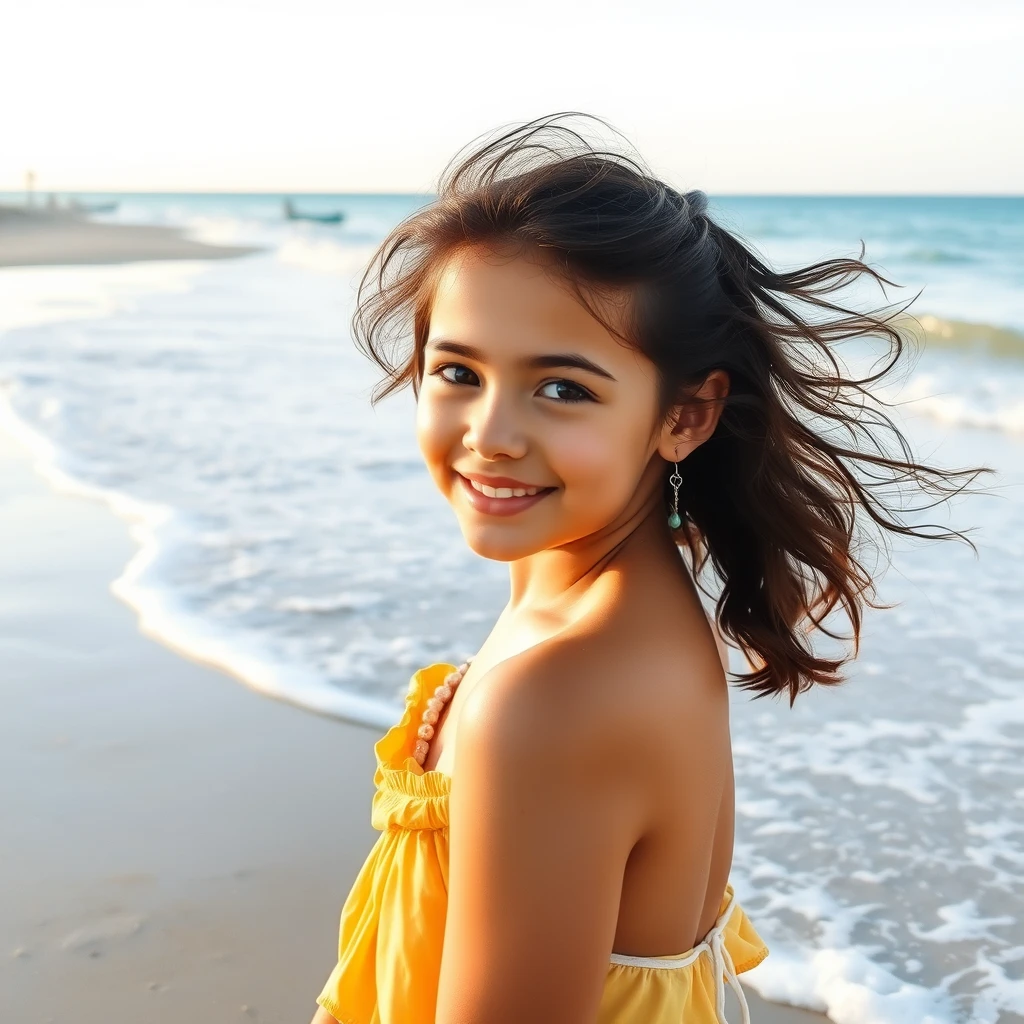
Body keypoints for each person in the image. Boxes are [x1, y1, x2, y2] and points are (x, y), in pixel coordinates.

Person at [309, 113, 985, 1024]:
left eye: (563, 389)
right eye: (458, 372)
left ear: (686, 417)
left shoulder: (561, 691)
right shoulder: (616, 609)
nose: (491, 436)